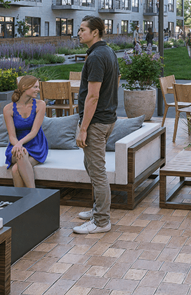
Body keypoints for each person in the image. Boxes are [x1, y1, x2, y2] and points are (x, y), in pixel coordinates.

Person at [74, 16, 120, 234]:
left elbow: (92, 96)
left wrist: (83, 129)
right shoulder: (108, 52)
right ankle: (97, 210)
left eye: (83, 30)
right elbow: (117, 80)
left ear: (95, 32)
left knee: (97, 171)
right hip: (107, 118)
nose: (79, 33)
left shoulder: (96, 57)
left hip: (96, 122)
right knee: (91, 167)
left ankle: (101, 221)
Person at [3, 76, 48, 188]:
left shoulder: (40, 105)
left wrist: (20, 144)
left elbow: (34, 131)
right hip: (16, 146)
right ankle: (33, 195)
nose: (38, 90)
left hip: (36, 146)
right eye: (35, 87)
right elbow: (12, 136)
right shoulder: (8, 109)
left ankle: (23, 201)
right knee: (21, 153)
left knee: (15, 169)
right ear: (24, 87)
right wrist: (18, 145)